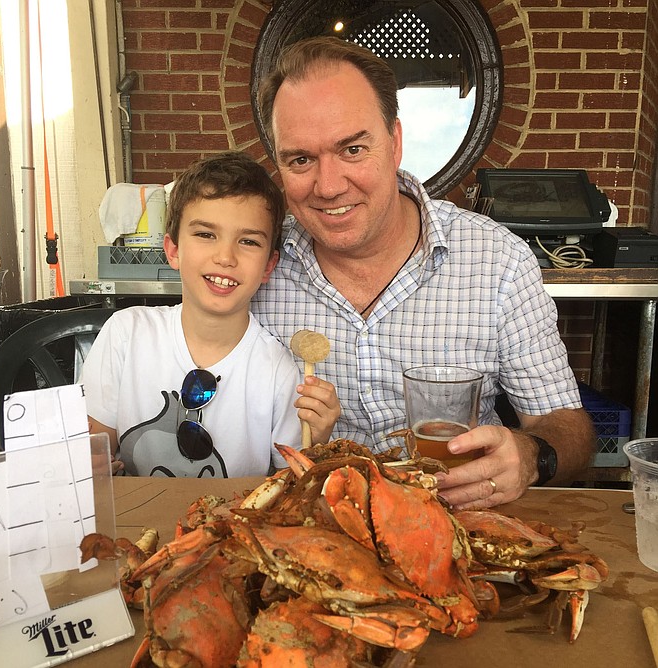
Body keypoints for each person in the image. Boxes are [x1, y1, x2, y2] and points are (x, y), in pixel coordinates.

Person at [251, 36, 596, 509]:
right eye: (301, 160)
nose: (328, 186)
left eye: (352, 149)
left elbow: (568, 428)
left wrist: (532, 455)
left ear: (394, 142)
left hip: (455, 526)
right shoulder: (255, 266)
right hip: (312, 530)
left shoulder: (498, 261)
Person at [82, 152, 340, 477]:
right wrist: (81, 466)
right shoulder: (126, 334)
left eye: (248, 241)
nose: (225, 257)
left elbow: (289, 486)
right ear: (173, 250)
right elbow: (91, 449)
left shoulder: (278, 372)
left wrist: (317, 443)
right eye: (206, 234)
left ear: (269, 266)